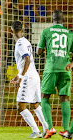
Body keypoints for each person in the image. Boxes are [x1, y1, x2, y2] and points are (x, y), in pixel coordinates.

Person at [36, 10, 73, 139]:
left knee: (44, 96)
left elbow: (39, 51)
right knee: (65, 98)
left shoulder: (46, 32)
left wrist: (44, 46)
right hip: (65, 68)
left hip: (51, 68)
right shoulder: (70, 33)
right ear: (63, 20)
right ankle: (67, 130)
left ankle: (50, 128)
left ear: (52, 19)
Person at [10, 21, 48, 138]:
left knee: (20, 106)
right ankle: (47, 128)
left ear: (11, 31)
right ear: (22, 29)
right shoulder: (25, 41)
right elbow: (25, 62)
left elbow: (27, 59)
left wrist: (20, 77)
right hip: (33, 75)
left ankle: (36, 131)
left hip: (28, 78)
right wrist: (18, 75)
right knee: (35, 104)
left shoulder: (20, 43)